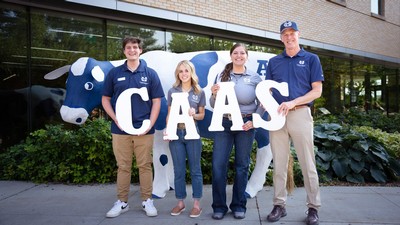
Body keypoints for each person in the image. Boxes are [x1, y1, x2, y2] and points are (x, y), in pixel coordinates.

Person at [265, 21, 324, 225]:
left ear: (298, 34)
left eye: (292, 33)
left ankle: (313, 208)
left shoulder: (311, 59)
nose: (289, 37)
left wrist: (293, 102)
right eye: (285, 34)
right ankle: (279, 205)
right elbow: (269, 91)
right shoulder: (274, 62)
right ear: (281, 38)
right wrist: (267, 105)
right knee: (279, 163)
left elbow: (317, 90)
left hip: (300, 113)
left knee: (308, 164)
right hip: (278, 117)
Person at [101, 36, 164, 218]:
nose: (132, 50)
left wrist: (150, 124)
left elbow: (157, 101)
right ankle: (122, 202)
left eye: (135, 47)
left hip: (144, 129)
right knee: (123, 166)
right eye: (128, 47)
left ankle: (147, 200)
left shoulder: (150, 73)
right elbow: (105, 99)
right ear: (124, 51)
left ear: (140, 50)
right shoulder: (114, 73)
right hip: (120, 130)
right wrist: (115, 119)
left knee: (144, 165)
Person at [209, 43, 263, 220]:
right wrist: (214, 94)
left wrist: (254, 120)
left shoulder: (255, 77)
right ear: (231, 56)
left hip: (246, 124)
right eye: (235, 53)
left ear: (247, 56)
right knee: (218, 165)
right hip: (224, 123)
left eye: (242, 53)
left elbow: (263, 103)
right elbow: (212, 104)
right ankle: (219, 206)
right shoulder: (222, 75)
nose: (239, 56)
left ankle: (239, 205)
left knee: (242, 165)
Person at [164, 60, 205, 218]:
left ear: (191, 72)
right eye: (180, 71)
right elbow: (169, 114)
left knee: (195, 169)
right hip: (176, 133)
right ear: (177, 74)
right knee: (178, 169)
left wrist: (194, 114)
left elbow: (202, 115)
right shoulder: (172, 91)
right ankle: (180, 203)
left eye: (186, 70)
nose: (184, 74)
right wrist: (168, 130)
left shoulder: (198, 92)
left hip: (192, 132)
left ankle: (196, 204)